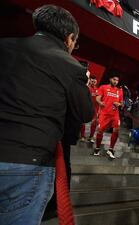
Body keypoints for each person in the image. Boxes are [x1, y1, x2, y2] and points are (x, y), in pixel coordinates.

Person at [0, 4, 93, 225]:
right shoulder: (71, 66)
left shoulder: (4, 46)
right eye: (75, 43)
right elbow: (85, 113)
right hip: (29, 163)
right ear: (69, 38)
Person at [94, 75, 123, 159]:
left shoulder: (119, 91)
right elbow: (97, 98)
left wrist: (119, 104)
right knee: (100, 131)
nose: (115, 81)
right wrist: (100, 102)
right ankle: (97, 148)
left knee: (116, 130)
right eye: (114, 79)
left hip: (115, 114)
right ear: (110, 79)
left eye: (117, 80)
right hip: (104, 113)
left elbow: (121, 102)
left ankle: (110, 149)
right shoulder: (103, 87)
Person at [80, 74, 99, 142]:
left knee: (94, 122)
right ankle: (82, 136)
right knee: (83, 122)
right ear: (89, 81)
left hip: (94, 109)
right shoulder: (85, 88)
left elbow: (98, 100)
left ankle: (91, 137)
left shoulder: (97, 90)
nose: (93, 83)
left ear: (96, 82)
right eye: (92, 81)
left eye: (94, 81)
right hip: (85, 107)